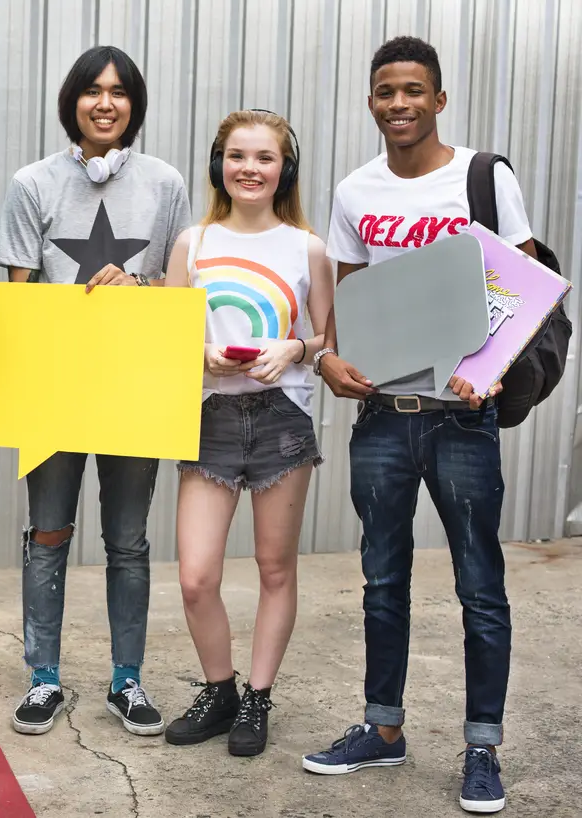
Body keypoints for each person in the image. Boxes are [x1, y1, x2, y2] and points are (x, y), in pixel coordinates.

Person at [301, 36, 535, 814]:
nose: (398, 103)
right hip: (382, 417)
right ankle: (383, 729)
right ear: (371, 101)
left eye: (412, 91)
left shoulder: (481, 176)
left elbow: (524, 282)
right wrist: (327, 359)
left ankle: (482, 747)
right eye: (385, 91)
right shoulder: (355, 190)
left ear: (438, 99)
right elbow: (347, 295)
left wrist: (495, 366)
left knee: (480, 586)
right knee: (382, 581)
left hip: (462, 418)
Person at [0, 45, 191, 737]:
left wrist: (139, 287)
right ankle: (43, 678)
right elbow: (18, 299)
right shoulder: (31, 184)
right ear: (71, 101)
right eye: (92, 91)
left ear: (135, 105)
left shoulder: (165, 184)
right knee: (48, 533)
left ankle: (127, 680)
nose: (105, 104)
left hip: (135, 388)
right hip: (54, 390)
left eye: (119, 92)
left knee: (128, 541)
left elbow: (179, 290)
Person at [161, 109, 332, 757]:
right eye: (237, 156)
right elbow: (165, 335)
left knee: (274, 567)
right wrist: (196, 352)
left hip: (282, 420)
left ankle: (257, 699)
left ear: (285, 168)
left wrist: (295, 347)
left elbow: (329, 338)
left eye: (264, 157)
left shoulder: (307, 248)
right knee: (196, 576)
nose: (249, 169)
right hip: (210, 418)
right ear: (219, 165)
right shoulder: (193, 243)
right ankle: (220, 690)